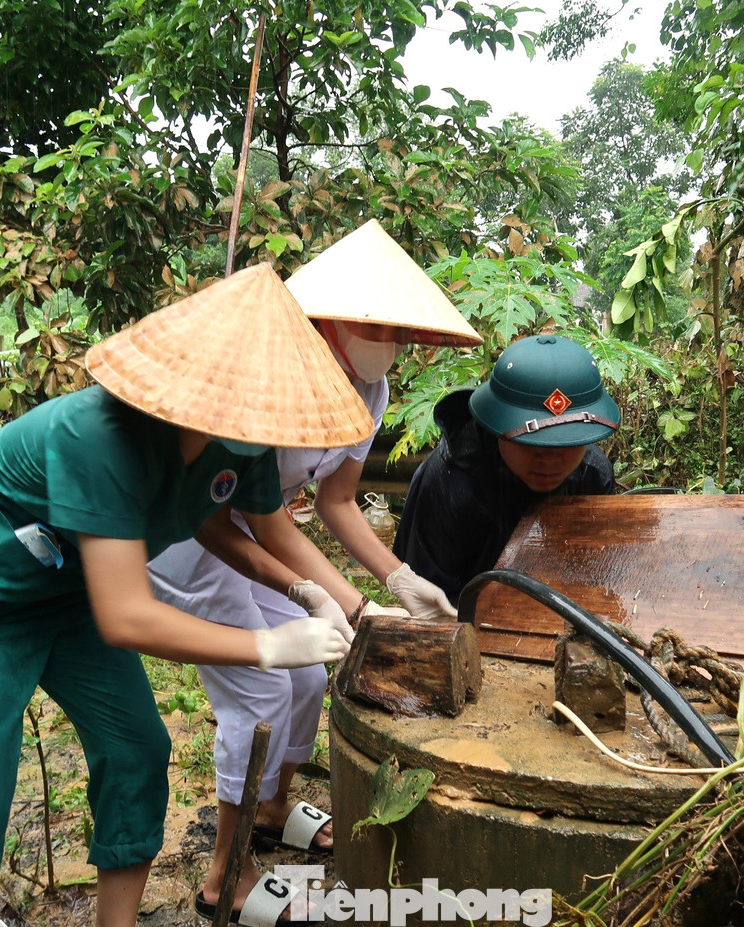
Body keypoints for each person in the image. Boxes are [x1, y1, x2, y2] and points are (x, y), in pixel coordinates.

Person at [0, 263, 374, 927]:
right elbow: (125, 615)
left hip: (64, 590)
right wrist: (267, 642)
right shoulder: (100, 435)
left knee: (137, 750)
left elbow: (215, 517)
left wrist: (306, 589)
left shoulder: (246, 437)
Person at [146, 220, 483, 922]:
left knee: (307, 674)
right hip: (192, 540)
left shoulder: (373, 392)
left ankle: (271, 809)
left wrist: (398, 578)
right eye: (370, 323)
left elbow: (334, 500)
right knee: (261, 691)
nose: (384, 341)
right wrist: (349, 601)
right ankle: (223, 878)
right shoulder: (276, 375)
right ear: (323, 317)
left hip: (255, 538)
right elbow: (263, 518)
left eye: (397, 329)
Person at [393, 333, 620, 606]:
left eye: (564, 445)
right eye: (530, 444)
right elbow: (431, 596)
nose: (548, 460)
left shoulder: (592, 475)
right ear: (496, 427)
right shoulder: (449, 481)